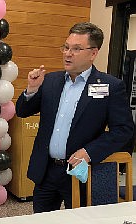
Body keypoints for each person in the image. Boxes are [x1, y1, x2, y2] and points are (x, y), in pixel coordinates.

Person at [16, 22, 134, 213]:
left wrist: (88, 152)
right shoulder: (51, 81)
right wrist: (31, 89)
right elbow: (22, 111)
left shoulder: (111, 86)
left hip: (81, 173)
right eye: (66, 47)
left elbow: (123, 130)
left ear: (93, 53)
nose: (67, 53)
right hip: (46, 171)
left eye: (76, 49)